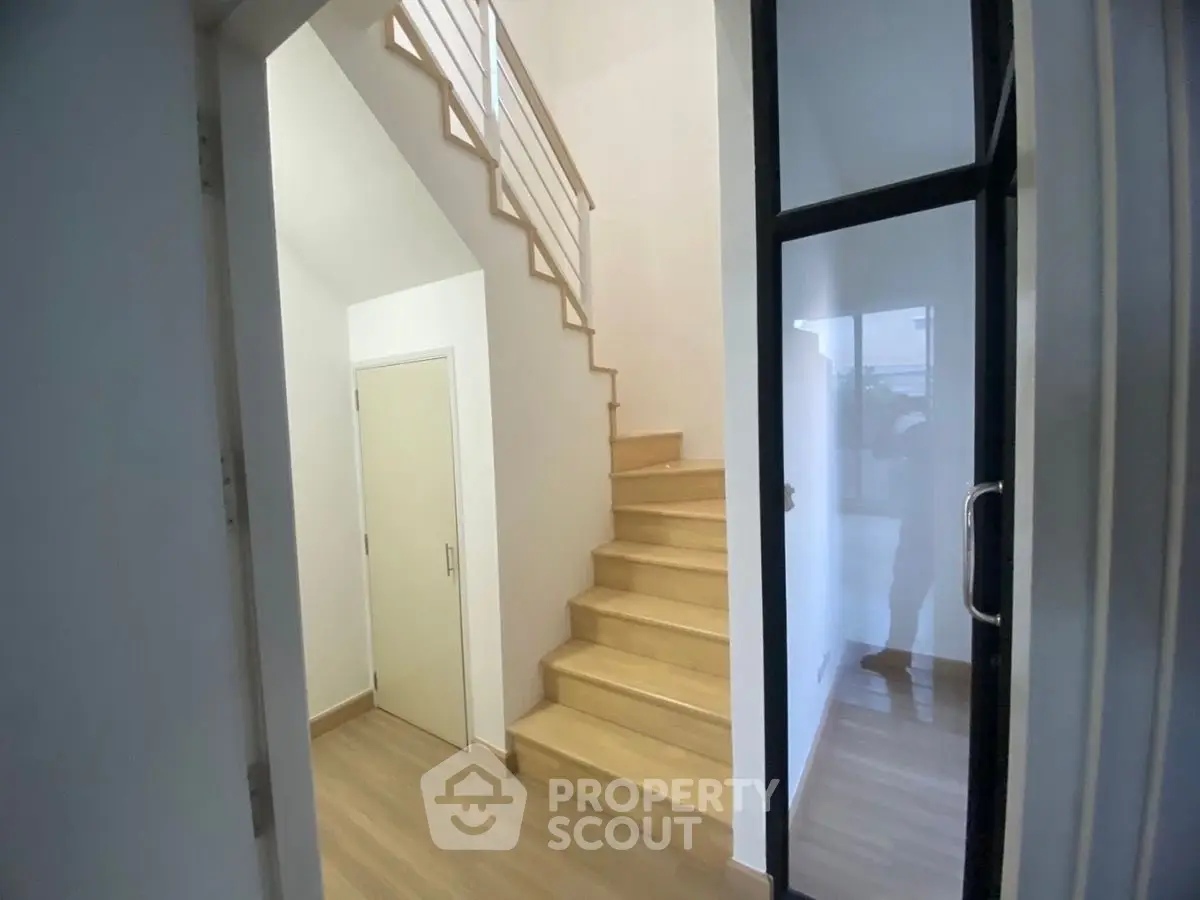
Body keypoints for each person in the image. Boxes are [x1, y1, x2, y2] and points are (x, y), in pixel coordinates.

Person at [860, 396, 934, 675]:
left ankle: (897, 654)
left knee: (905, 590)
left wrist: (894, 413)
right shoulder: (953, 430)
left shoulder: (924, 433)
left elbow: (881, 449)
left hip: (923, 522)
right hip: (952, 521)